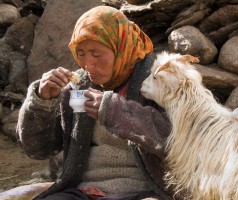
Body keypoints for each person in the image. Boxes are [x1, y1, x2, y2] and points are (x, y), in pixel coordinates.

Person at [16, 5, 175, 200]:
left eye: (96, 53)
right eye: (80, 53)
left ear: (120, 46)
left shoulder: (160, 80)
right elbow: (38, 149)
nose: (88, 64)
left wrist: (116, 110)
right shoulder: (79, 86)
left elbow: (176, 141)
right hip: (82, 192)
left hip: (143, 192)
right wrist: (42, 101)